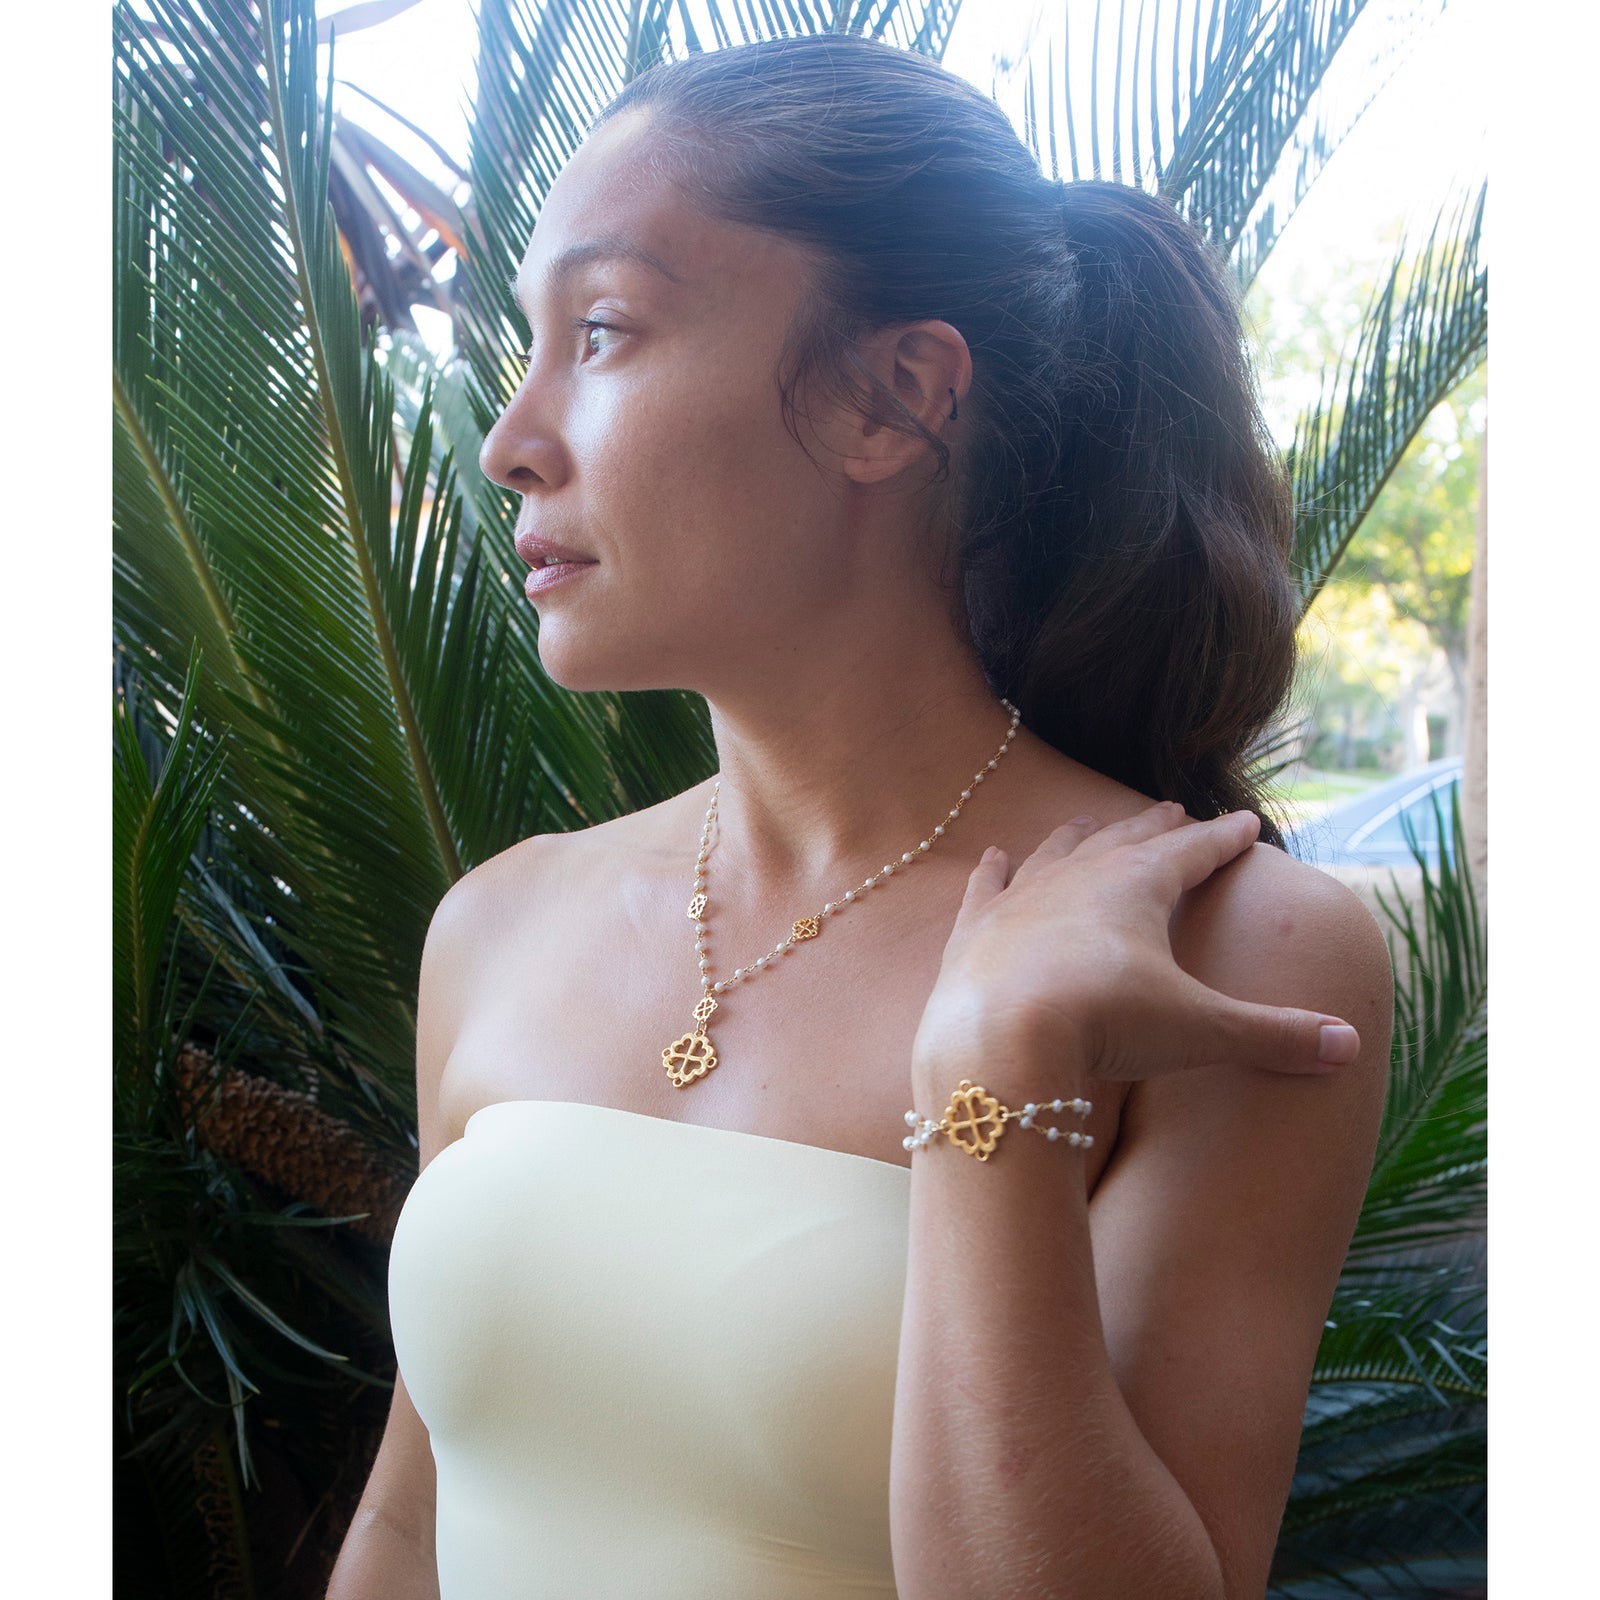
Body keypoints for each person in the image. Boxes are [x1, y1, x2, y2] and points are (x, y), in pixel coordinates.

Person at [327, 32, 1393, 1600]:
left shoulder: (1230, 955)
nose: (510, 442)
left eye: (602, 332)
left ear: (893, 398)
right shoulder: (497, 922)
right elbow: (408, 1528)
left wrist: (990, 1088)